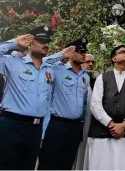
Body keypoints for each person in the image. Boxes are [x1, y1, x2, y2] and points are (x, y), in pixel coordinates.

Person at [0, 25, 74, 170]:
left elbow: (47, 104)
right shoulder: (13, 63)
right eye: (41, 41)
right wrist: (15, 42)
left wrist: (60, 55)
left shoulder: (49, 68)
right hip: (10, 126)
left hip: (34, 130)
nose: (46, 44)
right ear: (30, 42)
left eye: (47, 41)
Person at [84, 45, 125, 170]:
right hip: (102, 133)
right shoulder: (102, 78)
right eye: (122, 52)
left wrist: (123, 125)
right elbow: (95, 104)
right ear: (114, 58)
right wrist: (111, 124)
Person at [38, 37, 90, 170]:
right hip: (56, 125)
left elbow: (84, 104)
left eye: (85, 51)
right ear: (71, 52)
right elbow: (41, 62)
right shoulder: (57, 69)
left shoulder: (85, 76)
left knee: (66, 165)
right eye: (80, 51)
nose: (84, 54)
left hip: (74, 127)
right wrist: (61, 54)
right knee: (48, 164)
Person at [73, 53, 96, 170]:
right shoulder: (74, 79)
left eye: (93, 62)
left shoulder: (97, 82)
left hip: (90, 127)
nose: (91, 64)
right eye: (88, 62)